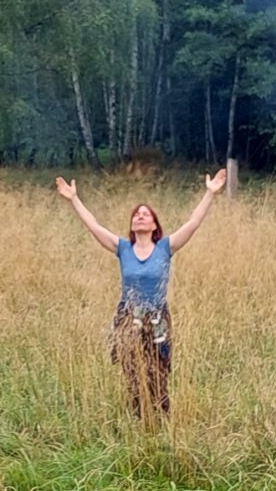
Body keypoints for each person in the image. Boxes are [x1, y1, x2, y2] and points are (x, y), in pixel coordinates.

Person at [54, 169, 226, 417]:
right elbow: (94, 226)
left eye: (146, 214)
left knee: (159, 374)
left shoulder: (165, 247)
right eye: (136, 214)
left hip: (158, 320)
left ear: (155, 225)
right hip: (129, 319)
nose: (140, 216)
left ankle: (161, 423)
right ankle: (137, 420)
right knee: (133, 375)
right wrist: (74, 199)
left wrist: (210, 194)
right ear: (132, 225)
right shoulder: (123, 248)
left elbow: (192, 224)